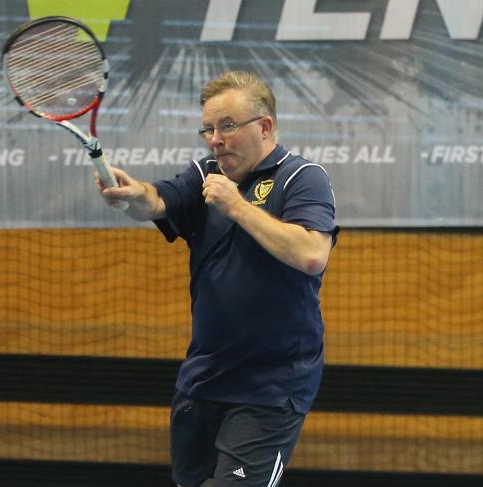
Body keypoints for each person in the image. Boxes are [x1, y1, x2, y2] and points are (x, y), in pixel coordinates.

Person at [94, 71, 338, 487]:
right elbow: (155, 201)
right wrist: (133, 194)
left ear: (264, 126)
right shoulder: (204, 173)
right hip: (203, 381)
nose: (215, 139)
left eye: (227, 126)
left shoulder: (302, 178)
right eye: (208, 129)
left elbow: (312, 255)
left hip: (271, 388)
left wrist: (237, 206)